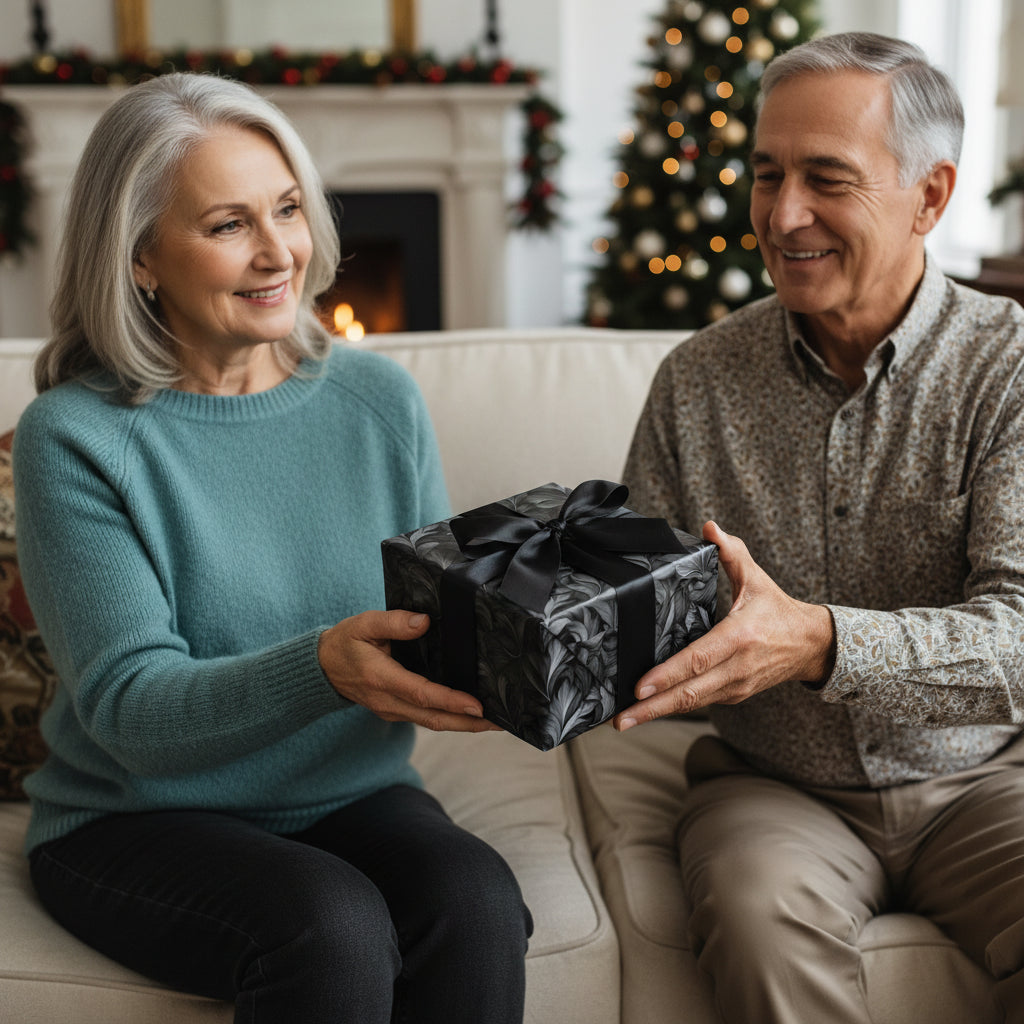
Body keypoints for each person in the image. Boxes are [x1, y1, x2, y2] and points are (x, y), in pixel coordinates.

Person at [12, 72, 531, 1024]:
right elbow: (131, 713)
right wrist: (326, 667)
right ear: (140, 259)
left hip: (350, 791)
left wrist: (538, 649)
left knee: (478, 901)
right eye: (226, 225)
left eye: (286, 209)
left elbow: (433, 619)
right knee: (325, 925)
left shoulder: (379, 404)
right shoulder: (75, 439)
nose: (277, 252)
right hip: (135, 815)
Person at [615, 31, 1024, 1023]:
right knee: (753, 915)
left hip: (986, 781)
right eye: (766, 175)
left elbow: (1018, 637)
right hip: (772, 788)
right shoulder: (697, 382)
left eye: (825, 179)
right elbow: (634, 609)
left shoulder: (1007, 370)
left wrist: (820, 642)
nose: (782, 214)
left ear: (929, 196)